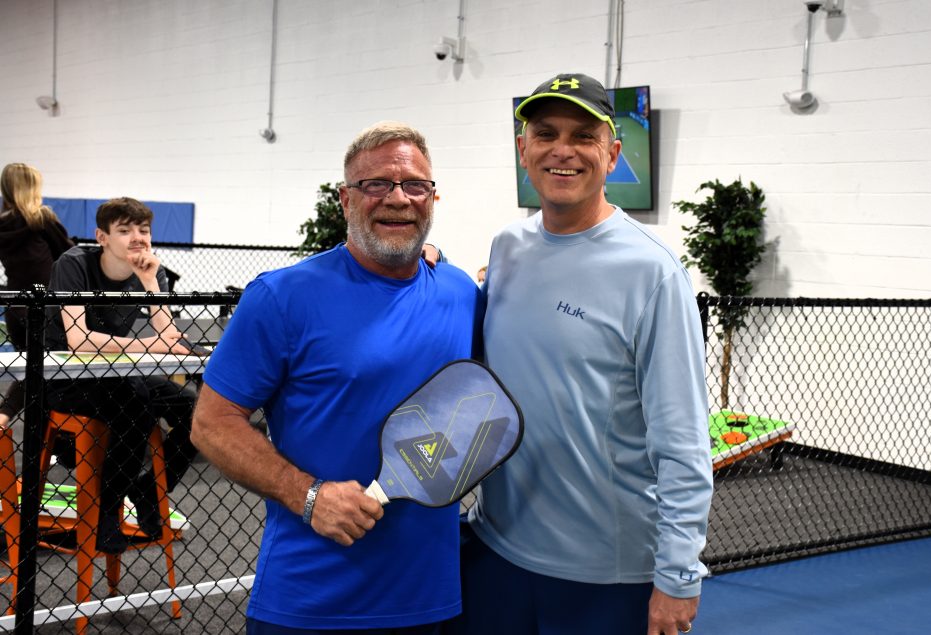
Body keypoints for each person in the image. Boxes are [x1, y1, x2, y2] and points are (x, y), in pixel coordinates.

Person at [191, 122, 483, 633]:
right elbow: (212, 424)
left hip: (435, 598)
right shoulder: (282, 297)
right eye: (376, 185)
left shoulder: (459, 292)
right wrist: (307, 496)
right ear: (346, 200)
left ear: (433, 198)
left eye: (414, 185)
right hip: (312, 603)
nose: (398, 198)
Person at [450, 74, 714, 635]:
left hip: (607, 575)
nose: (562, 150)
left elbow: (684, 441)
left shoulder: (653, 273)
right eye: (545, 133)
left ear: (612, 153)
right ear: (524, 150)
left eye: (583, 136)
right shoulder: (507, 249)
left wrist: (677, 576)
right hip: (496, 548)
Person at [46, 197, 198, 553]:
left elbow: (168, 337)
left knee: (195, 410)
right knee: (136, 403)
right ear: (102, 236)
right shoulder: (74, 264)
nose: (137, 238)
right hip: (67, 378)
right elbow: (78, 339)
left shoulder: (151, 269)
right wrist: (150, 344)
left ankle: (148, 491)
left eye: (143, 230)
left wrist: (149, 281)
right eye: (125, 230)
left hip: (120, 373)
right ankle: (107, 509)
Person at [0, 162, 75, 428]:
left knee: (33, 371)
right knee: (41, 372)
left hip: (15, 306)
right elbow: (69, 256)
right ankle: (6, 417)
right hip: (43, 309)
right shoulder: (41, 220)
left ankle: (39, 452)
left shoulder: (4, 226)